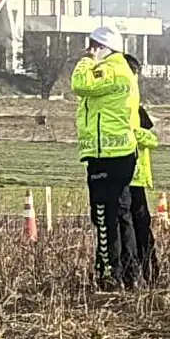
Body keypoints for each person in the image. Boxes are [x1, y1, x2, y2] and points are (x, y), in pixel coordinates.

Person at [72, 26, 137, 291]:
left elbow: (80, 85)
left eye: (92, 46)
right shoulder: (122, 70)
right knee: (122, 213)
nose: (88, 51)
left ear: (101, 47)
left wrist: (86, 62)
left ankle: (109, 273)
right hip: (119, 153)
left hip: (107, 155)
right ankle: (130, 273)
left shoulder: (110, 69)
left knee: (103, 215)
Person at [125, 54, 160, 287]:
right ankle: (140, 272)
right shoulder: (126, 105)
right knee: (135, 225)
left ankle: (147, 271)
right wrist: (145, 137)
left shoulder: (136, 106)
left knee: (139, 225)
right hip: (131, 174)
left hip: (137, 174)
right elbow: (144, 135)